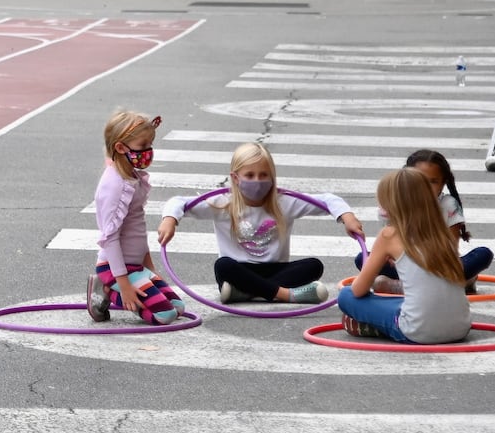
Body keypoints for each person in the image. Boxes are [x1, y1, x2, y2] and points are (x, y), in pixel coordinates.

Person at [158, 142, 364, 304]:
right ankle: (285, 295)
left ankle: (247, 292)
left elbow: (328, 200)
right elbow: (179, 202)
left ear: (272, 177)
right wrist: (170, 219)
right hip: (237, 270)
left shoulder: (284, 202)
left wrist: (347, 216)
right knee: (223, 265)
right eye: (249, 175)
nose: (257, 180)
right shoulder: (223, 203)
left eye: (263, 175)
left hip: (276, 270)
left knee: (313, 266)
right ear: (235, 178)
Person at [338, 168, 473, 344]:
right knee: (405, 302)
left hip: (417, 331)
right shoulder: (441, 230)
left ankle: (379, 327)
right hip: (461, 328)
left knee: (346, 295)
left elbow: (358, 290)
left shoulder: (389, 235)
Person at [86, 110, 185, 324]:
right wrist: (123, 286)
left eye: (151, 144)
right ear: (121, 147)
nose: (148, 151)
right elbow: (110, 237)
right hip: (114, 269)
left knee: (178, 308)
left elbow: (137, 229)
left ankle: (124, 285)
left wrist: (150, 269)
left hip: (136, 265)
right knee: (164, 315)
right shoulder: (114, 185)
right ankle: (104, 289)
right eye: (143, 146)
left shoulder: (133, 175)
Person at [357, 150, 493, 294]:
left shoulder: (448, 205)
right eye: (419, 180)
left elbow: (450, 250)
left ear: (443, 183)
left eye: (433, 181)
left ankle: (404, 287)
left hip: (439, 266)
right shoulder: (394, 205)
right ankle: (457, 283)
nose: (425, 187)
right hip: (405, 265)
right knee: (362, 259)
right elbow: (389, 246)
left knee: (483, 255)